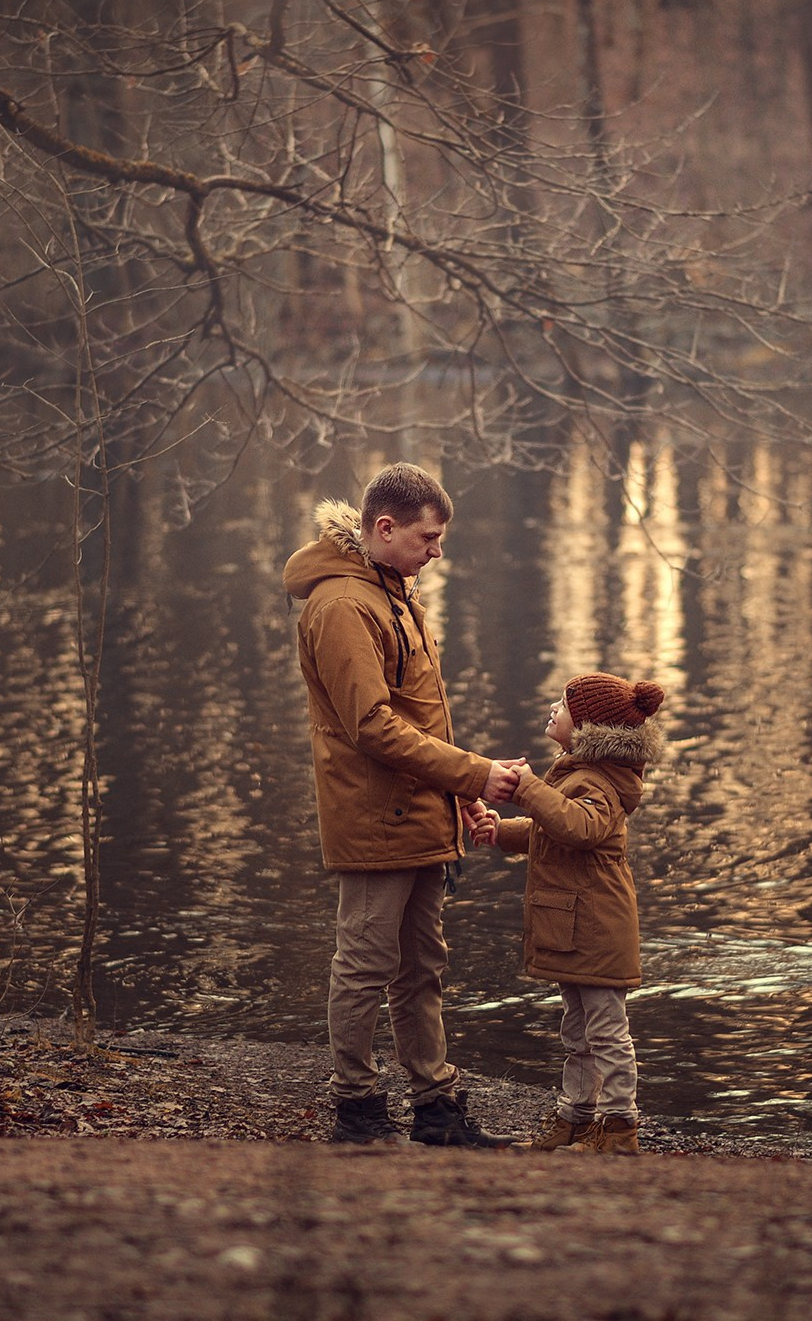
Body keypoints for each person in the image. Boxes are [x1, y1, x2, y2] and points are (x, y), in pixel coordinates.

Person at [282, 462, 524, 1148]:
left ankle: (435, 1108)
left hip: (420, 814)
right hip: (371, 819)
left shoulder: (393, 590)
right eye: (429, 536)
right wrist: (476, 774)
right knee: (364, 963)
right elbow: (373, 728)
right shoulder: (341, 607)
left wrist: (460, 797)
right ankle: (356, 1107)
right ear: (384, 528)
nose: (438, 550)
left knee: (423, 965)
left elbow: (418, 720)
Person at [473, 672, 665, 1155]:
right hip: (575, 925)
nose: (553, 708)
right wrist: (502, 831)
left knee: (605, 1031)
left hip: (597, 928)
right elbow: (550, 829)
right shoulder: (577, 771)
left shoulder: (595, 782)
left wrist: (529, 789)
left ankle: (619, 1125)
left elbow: (580, 827)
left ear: (588, 727)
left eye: (563, 703)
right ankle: (575, 1119)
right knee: (577, 1031)